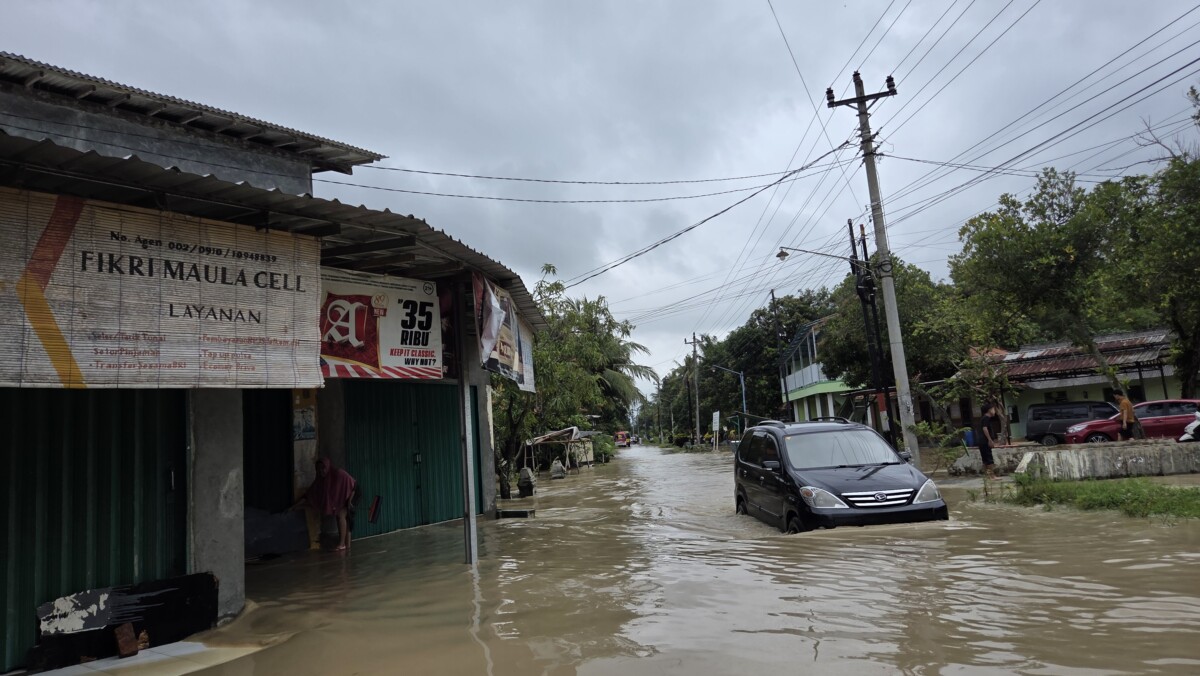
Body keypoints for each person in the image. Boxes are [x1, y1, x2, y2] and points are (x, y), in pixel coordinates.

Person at [293, 458, 357, 551]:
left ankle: (342, 544)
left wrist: (350, 501)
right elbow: (308, 495)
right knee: (341, 516)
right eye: (318, 469)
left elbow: (354, 485)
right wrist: (295, 506)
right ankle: (347, 546)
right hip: (343, 497)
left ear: (328, 467)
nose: (321, 471)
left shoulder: (338, 473)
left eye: (323, 468)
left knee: (341, 516)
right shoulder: (320, 481)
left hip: (353, 493)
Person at [978, 403, 999, 480]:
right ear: (989, 410)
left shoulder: (984, 418)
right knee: (989, 459)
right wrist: (990, 440)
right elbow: (985, 428)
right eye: (993, 409)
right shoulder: (986, 418)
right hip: (985, 441)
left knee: (985, 459)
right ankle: (992, 476)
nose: (994, 411)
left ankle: (987, 476)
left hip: (982, 441)